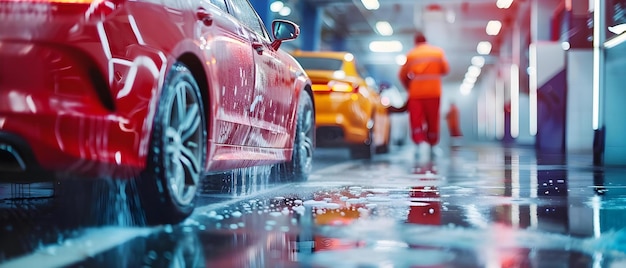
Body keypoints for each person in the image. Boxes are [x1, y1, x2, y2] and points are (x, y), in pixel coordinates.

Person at [397, 31, 449, 159]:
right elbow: (445, 70)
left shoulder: (411, 54)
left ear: (415, 42)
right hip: (433, 92)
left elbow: (402, 75)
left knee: (416, 120)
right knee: (433, 119)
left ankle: (418, 145)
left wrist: (409, 87)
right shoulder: (438, 53)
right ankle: (432, 146)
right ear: (426, 40)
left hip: (416, 94)